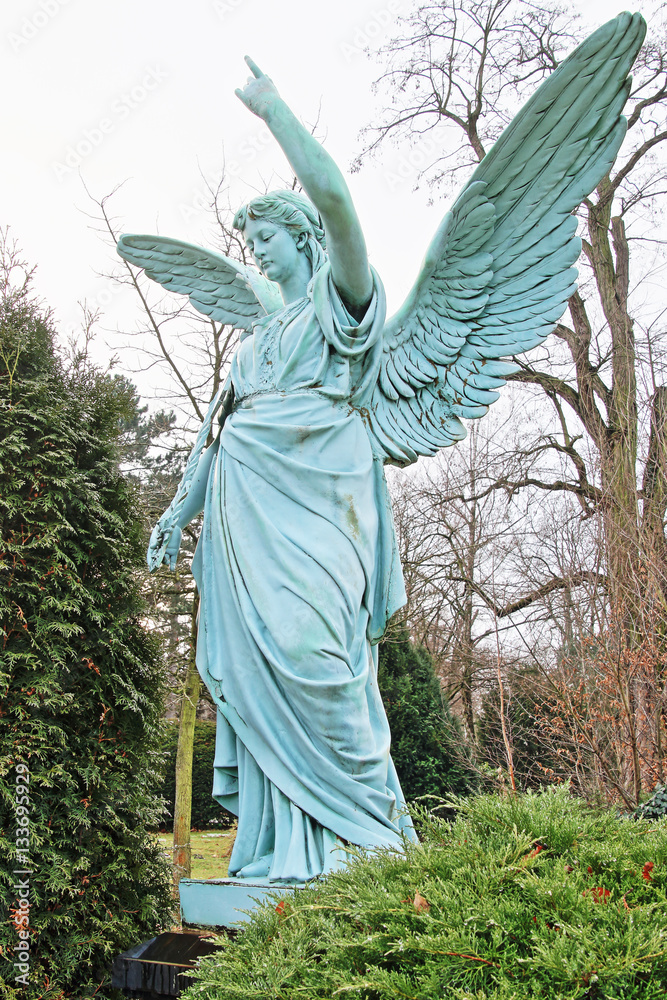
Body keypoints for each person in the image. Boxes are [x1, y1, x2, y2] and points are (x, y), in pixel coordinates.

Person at [159, 58, 416, 882]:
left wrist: (273, 115)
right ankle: (278, 850)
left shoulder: (341, 305)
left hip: (320, 512)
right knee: (261, 670)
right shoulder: (251, 346)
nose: (256, 253)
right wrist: (178, 509)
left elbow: (336, 200)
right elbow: (214, 434)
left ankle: (368, 843)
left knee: (319, 659)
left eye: (264, 237)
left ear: (299, 239)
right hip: (244, 522)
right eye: (249, 244)